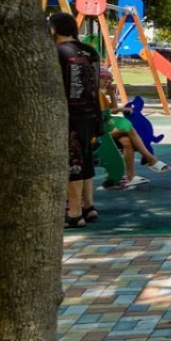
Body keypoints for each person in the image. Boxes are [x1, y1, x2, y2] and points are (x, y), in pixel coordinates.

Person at [52, 12, 102, 227]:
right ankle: (88, 206)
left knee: (73, 162)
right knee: (87, 159)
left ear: (54, 29)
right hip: (92, 112)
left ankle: (74, 212)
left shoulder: (59, 52)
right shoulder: (90, 52)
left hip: (71, 114)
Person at [102, 93, 169, 190]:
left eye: (110, 78)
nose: (108, 81)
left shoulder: (100, 94)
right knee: (128, 127)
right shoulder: (88, 95)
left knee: (126, 141)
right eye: (105, 78)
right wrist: (122, 109)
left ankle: (130, 177)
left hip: (106, 127)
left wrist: (111, 93)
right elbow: (100, 113)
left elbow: (113, 111)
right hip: (96, 130)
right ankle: (150, 160)